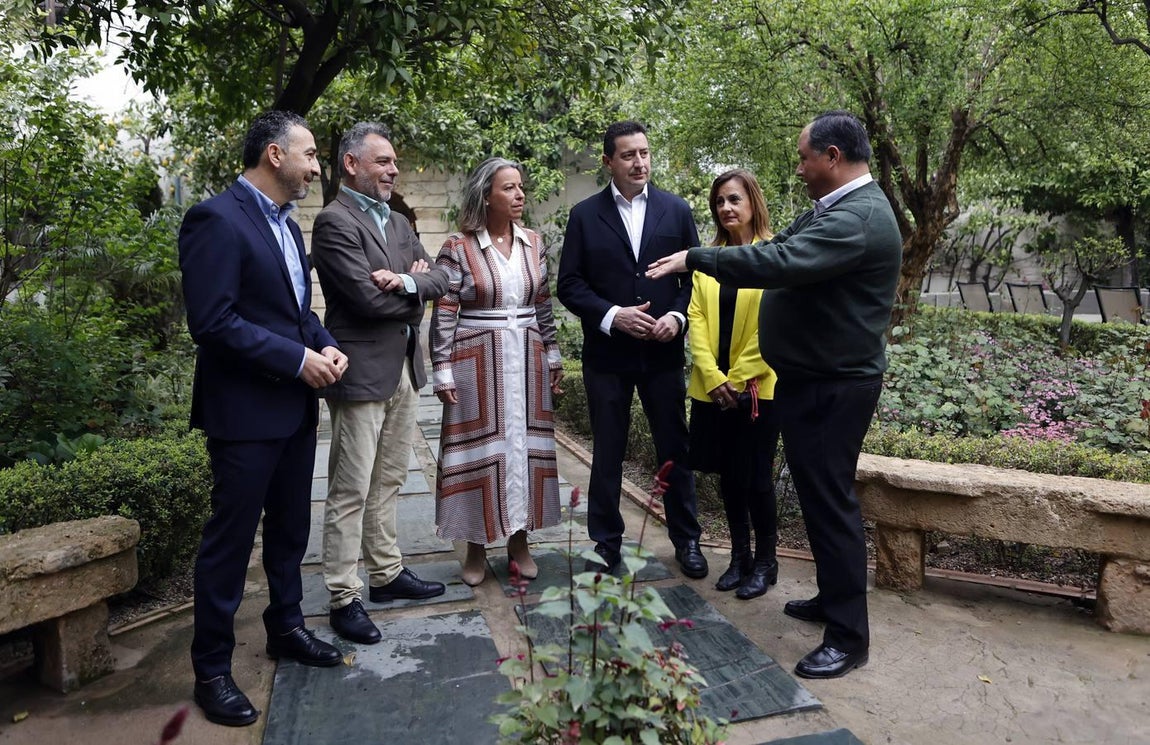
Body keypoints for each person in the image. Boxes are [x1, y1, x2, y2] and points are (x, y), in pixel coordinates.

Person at [647, 110, 902, 679]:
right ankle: (833, 602)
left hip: (834, 387)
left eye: (805, 156)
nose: (800, 167)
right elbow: (782, 246)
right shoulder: (836, 209)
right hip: (814, 381)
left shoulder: (856, 217)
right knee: (815, 499)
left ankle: (848, 637)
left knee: (831, 505)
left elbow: (779, 261)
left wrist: (697, 257)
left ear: (832, 157)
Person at [178, 111, 349, 727]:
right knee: (229, 545)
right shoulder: (214, 220)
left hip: (294, 410)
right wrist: (297, 358)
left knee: (289, 533)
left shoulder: (288, 226)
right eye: (309, 155)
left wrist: (324, 343)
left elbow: (295, 312)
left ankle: (287, 628)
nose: (315, 167)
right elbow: (214, 322)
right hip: (245, 415)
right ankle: (213, 670)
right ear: (275, 155)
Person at [310, 122, 450, 646]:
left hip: (403, 369)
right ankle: (345, 595)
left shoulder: (396, 220)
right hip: (361, 371)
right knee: (350, 489)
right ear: (352, 164)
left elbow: (442, 277)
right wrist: (416, 287)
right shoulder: (333, 222)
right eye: (384, 162)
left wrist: (409, 279)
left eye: (394, 163)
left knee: (389, 479)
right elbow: (366, 302)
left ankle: (387, 574)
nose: (394, 170)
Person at [557, 120, 708, 580]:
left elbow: (694, 278)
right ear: (609, 162)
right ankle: (606, 544)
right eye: (628, 155)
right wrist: (611, 316)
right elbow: (570, 285)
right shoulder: (584, 215)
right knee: (608, 451)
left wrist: (677, 319)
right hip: (607, 357)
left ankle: (687, 540)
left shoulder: (676, 210)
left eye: (644, 152)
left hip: (662, 355)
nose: (639, 162)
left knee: (673, 448)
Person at [430, 158, 564, 586]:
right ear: (486, 195)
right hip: (476, 361)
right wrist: (443, 367)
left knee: (521, 447)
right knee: (478, 451)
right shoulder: (459, 246)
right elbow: (446, 309)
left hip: (527, 356)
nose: (519, 194)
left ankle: (519, 542)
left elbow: (542, 304)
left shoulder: (534, 242)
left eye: (520, 187)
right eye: (509, 188)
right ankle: (474, 546)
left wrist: (555, 355)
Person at [687, 169, 781, 600]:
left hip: (758, 390)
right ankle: (739, 557)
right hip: (714, 390)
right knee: (727, 475)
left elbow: (774, 326)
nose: (726, 207)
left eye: (734, 199)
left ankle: (766, 562)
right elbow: (697, 321)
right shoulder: (708, 261)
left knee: (757, 476)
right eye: (719, 201)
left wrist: (739, 379)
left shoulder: (776, 255)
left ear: (752, 203)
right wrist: (714, 378)